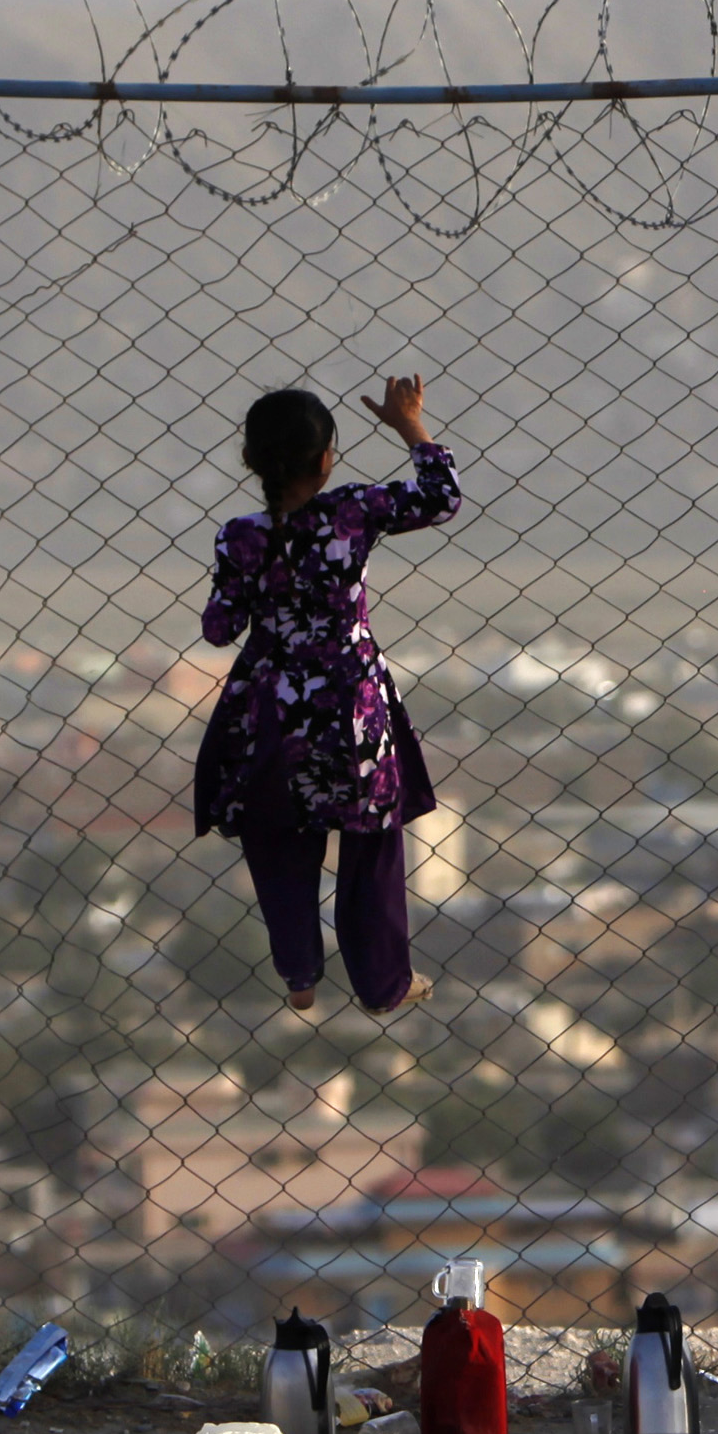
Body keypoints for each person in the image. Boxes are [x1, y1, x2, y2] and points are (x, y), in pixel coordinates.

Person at [194, 377, 462, 1013]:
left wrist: (249, 586)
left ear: (250, 460)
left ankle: (300, 976)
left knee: (277, 835)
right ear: (326, 460)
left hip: (271, 708)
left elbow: (218, 627)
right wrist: (408, 426)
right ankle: (381, 982)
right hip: (352, 704)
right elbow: (442, 498)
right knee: (370, 835)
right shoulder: (353, 511)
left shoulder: (240, 536)